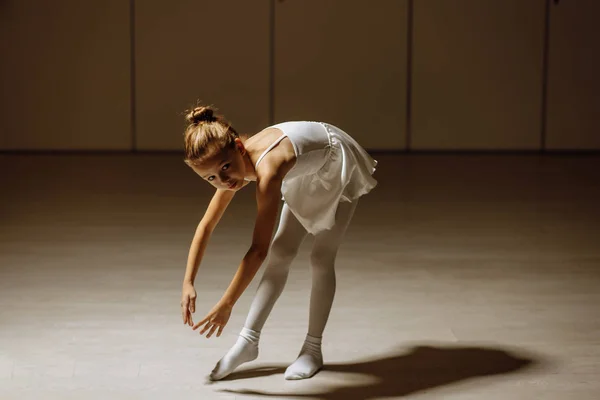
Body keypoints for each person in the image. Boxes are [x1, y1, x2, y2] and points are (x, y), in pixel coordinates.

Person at [180, 105, 378, 381]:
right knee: (282, 253)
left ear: (239, 146)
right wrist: (188, 281)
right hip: (304, 170)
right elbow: (206, 225)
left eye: (225, 168)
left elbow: (257, 250)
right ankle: (248, 341)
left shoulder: (268, 170)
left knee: (321, 258)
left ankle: (312, 348)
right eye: (210, 177)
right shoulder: (234, 171)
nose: (223, 180)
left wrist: (227, 304)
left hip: (335, 162)